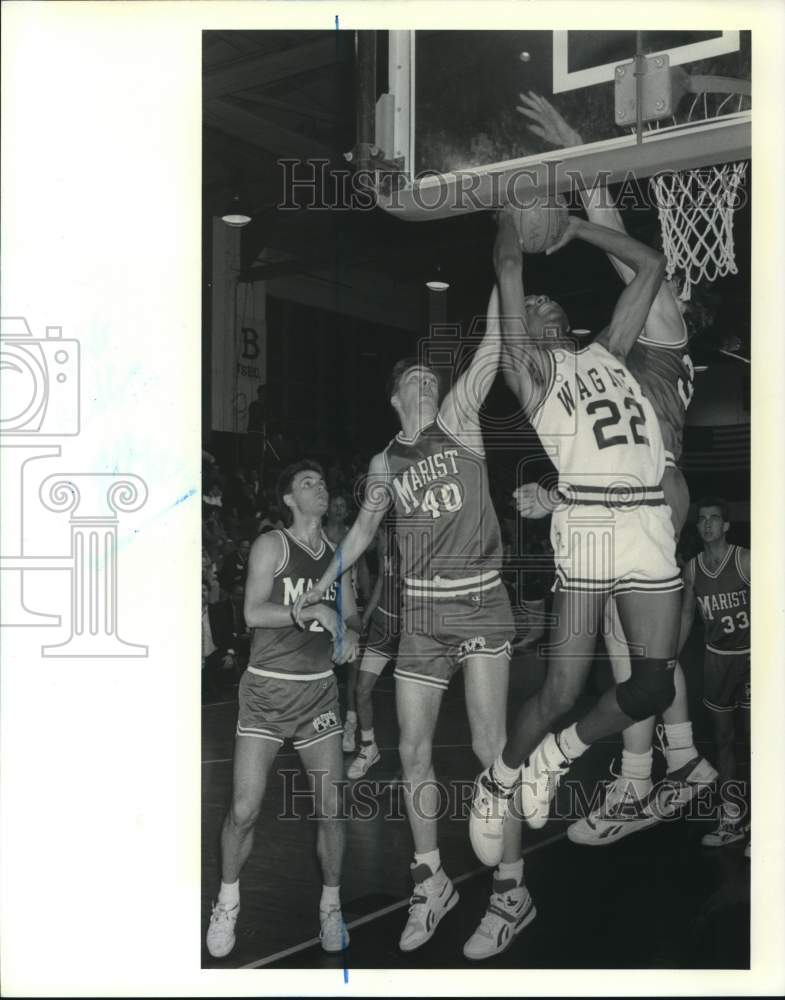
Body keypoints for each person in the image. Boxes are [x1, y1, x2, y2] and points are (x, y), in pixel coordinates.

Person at [296, 289, 535, 961]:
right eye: (416, 380)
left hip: (481, 601)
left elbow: (492, 344)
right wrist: (321, 579)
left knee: (491, 751)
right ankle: (431, 881)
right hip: (423, 616)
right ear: (396, 399)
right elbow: (364, 534)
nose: (429, 382)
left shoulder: (460, 418)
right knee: (413, 755)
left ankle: (511, 891)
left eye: (433, 376)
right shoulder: (382, 465)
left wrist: (504, 266)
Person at [510, 92, 717, 846]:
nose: (669, 287)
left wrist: (581, 177)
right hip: (634, 487)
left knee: (634, 650)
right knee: (633, 653)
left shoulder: (660, 333)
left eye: (675, 289)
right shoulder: (616, 353)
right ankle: (667, 764)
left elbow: (626, 248)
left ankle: (647, 773)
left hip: (653, 485)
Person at [470, 201, 684, 865]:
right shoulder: (529, 375)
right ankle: (498, 778)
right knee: (561, 690)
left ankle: (554, 758)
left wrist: (573, 229)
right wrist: (513, 217)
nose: (540, 305)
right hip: (589, 523)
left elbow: (648, 264)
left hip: (647, 518)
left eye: (547, 303)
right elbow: (507, 263)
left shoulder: (609, 350)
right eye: (528, 308)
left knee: (652, 686)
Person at [205, 460, 361, 960]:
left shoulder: (340, 557)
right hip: (267, 693)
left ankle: (331, 906)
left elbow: (353, 618)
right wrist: (306, 609)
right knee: (245, 810)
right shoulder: (273, 544)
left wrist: (351, 638)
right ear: (290, 499)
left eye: (322, 480)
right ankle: (227, 900)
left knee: (332, 810)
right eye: (308, 483)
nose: (320, 488)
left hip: (318, 693)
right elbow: (252, 612)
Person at [678, 498, 750, 855]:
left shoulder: (745, 560)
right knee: (724, 740)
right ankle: (732, 817)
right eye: (702, 519)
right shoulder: (692, 568)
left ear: (726, 526)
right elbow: (688, 615)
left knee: (758, 743)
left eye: (714, 519)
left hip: (752, 659)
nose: (707, 524)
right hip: (717, 661)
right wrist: (668, 658)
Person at [346, 518, 402, 779]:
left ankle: (412, 763)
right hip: (382, 627)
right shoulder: (386, 543)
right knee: (362, 689)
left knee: (408, 700)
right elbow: (381, 581)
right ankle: (369, 747)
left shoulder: (418, 543)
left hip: (409, 632)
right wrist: (366, 617)